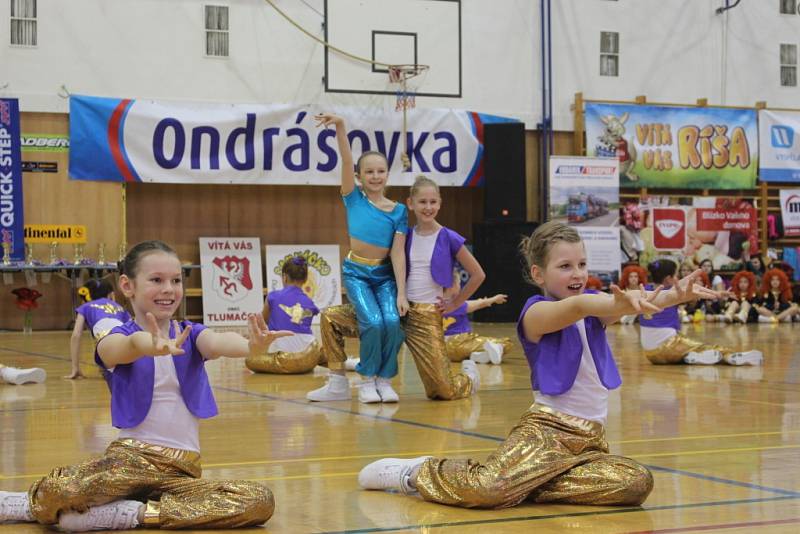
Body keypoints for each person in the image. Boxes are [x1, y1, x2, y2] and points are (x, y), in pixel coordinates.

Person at [356, 221, 713, 508]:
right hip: (546, 433)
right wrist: (619, 302)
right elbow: (580, 307)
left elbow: (611, 307)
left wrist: (674, 296)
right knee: (488, 490)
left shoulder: (592, 309)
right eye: (565, 266)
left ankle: (528, 483)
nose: (577, 273)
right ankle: (418, 473)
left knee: (636, 482)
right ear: (539, 274)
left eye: (582, 264)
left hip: (589, 442)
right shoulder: (538, 313)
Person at [0, 240, 290, 531]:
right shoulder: (118, 335)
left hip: (183, 474)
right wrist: (146, 344)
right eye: (156, 280)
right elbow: (119, 347)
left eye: (175, 280)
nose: (168, 289)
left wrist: (250, 346)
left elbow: (218, 342)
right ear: (127, 286)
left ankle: (130, 515)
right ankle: (25, 503)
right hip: (129, 463)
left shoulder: (189, 334)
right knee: (64, 488)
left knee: (258, 500)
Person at [307, 113, 407, 404]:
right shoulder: (353, 198)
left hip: (385, 275)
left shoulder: (399, 211)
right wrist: (341, 126)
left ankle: (384, 379)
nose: (375, 176)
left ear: (387, 174)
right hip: (357, 274)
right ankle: (366, 379)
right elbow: (347, 161)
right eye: (369, 172)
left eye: (381, 171)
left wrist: (401, 291)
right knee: (373, 322)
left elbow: (398, 253)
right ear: (360, 177)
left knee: (392, 321)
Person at [400, 175, 485, 400]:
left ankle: (469, 377)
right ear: (410, 203)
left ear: (439, 203)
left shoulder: (449, 237)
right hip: (401, 311)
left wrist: (455, 303)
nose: (428, 207)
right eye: (422, 202)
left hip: (429, 316)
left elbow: (478, 275)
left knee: (442, 392)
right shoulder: (404, 236)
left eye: (433, 202)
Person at [639, 259, 763, 366]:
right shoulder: (673, 292)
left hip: (650, 354)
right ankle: (729, 355)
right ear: (668, 279)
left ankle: (689, 357)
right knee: (706, 348)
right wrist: (717, 294)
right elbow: (695, 290)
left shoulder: (643, 292)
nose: (677, 278)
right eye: (675, 275)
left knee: (685, 351)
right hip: (669, 344)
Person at [245, 255, 323, 374]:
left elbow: (263, 323)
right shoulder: (310, 302)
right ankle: (348, 363)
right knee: (318, 350)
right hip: (305, 351)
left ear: (285, 277)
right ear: (306, 279)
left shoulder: (272, 296)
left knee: (249, 359)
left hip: (278, 348)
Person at [66, 279, 131, 379]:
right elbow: (133, 328)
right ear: (111, 295)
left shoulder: (85, 307)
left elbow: (76, 335)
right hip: (125, 341)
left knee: (107, 367)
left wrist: (75, 367)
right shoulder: (119, 307)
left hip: (107, 343)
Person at [443, 293, 512, 365]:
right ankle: (495, 348)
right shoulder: (456, 305)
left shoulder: (433, 306)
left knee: (468, 351)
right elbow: (481, 303)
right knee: (506, 343)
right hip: (461, 341)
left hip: (444, 351)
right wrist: (494, 299)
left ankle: (479, 356)